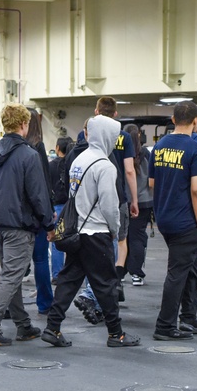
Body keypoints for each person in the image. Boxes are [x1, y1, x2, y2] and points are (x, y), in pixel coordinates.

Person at [43, 114, 139, 349]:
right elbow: (109, 204)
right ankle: (116, 334)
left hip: (77, 233)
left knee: (69, 280)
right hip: (96, 233)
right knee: (106, 284)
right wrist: (115, 230)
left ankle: (52, 327)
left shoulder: (79, 159)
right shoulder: (105, 165)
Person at [0, 103, 54, 346]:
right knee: (11, 277)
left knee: (13, 275)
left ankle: (23, 325)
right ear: (23, 124)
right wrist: (49, 224)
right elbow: (38, 195)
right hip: (19, 224)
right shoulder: (29, 155)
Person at [149, 101, 197, 341]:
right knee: (177, 273)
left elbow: (152, 183)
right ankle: (164, 325)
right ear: (196, 121)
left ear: (173, 120)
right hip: (186, 221)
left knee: (192, 267)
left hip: (165, 217)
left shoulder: (159, 146)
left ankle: (188, 316)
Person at [25, 108, 54, 315]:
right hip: (36, 213)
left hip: (15, 214)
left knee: (14, 265)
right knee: (41, 259)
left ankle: (11, 305)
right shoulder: (37, 146)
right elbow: (44, 182)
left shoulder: (8, 147)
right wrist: (48, 213)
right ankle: (45, 303)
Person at [125, 125, 152, 287]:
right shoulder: (146, 154)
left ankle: (120, 270)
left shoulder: (122, 154)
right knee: (138, 236)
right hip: (145, 201)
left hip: (125, 200)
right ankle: (136, 273)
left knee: (124, 237)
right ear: (139, 135)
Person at [48, 136, 74, 282]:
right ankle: (72, 271)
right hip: (71, 206)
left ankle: (57, 274)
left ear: (57, 148)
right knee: (73, 239)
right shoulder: (73, 163)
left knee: (56, 240)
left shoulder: (51, 165)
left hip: (56, 205)